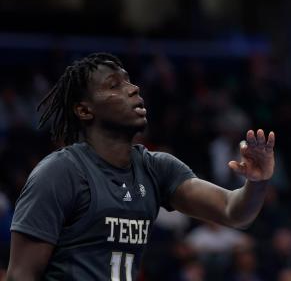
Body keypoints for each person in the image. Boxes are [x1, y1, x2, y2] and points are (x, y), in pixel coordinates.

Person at [7, 52, 276, 280]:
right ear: (84, 110)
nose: (133, 88)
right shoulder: (59, 172)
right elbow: (20, 275)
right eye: (114, 85)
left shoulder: (157, 168)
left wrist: (257, 182)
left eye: (129, 81)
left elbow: (234, 212)